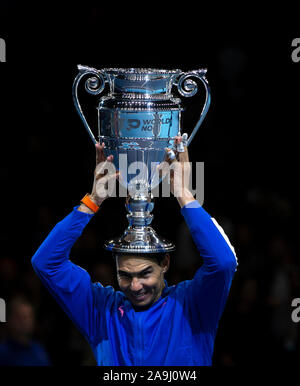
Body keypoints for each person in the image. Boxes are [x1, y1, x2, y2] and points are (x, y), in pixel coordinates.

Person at [31, 138, 237, 366]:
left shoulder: (193, 304)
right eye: (125, 276)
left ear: (165, 263)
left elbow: (223, 263)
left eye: (145, 273)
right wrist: (92, 201)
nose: (135, 286)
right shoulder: (101, 312)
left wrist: (183, 194)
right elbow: (46, 262)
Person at [0, 296, 51, 366]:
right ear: (9, 319)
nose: (25, 322)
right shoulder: (3, 353)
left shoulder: (39, 350)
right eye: (20, 317)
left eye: (28, 317)